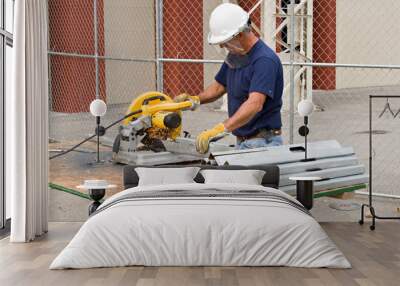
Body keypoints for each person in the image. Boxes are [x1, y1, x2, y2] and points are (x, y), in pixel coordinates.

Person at [174, 3, 284, 154]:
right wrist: (195, 100)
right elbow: (219, 87)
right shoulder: (236, 55)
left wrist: (221, 129)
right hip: (243, 141)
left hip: (262, 143)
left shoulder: (264, 60)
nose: (222, 47)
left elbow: (254, 104)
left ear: (239, 35)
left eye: (224, 42)